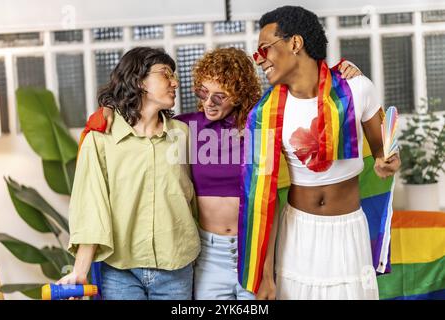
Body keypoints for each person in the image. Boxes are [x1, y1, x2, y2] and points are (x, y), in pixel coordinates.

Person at [89, 47, 362, 300]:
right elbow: (140, 119)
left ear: (240, 92)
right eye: (202, 92)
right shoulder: (184, 128)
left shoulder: (261, 129)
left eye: (219, 96)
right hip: (208, 257)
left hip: (251, 253)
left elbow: (270, 201)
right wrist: (109, 111)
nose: (208, 102)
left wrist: (343, 77)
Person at [240, 6, 401, 300]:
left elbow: (384, 150)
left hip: (348, 229)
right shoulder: (264, 114)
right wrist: (265, 273)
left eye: (265, 49)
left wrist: (387, 162)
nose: (259, 60)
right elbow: (262, 198)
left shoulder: (356, 90)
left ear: (295, 43)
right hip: (297, 234)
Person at [57, 47, 200, 300]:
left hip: (177, 266)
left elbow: (199, 197)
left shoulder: (184, 135)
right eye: (166, 74)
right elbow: (92, 206)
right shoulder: (100, 139)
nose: (175, 82)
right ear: (138, 80)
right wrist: (80, 272)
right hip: (120, 270)